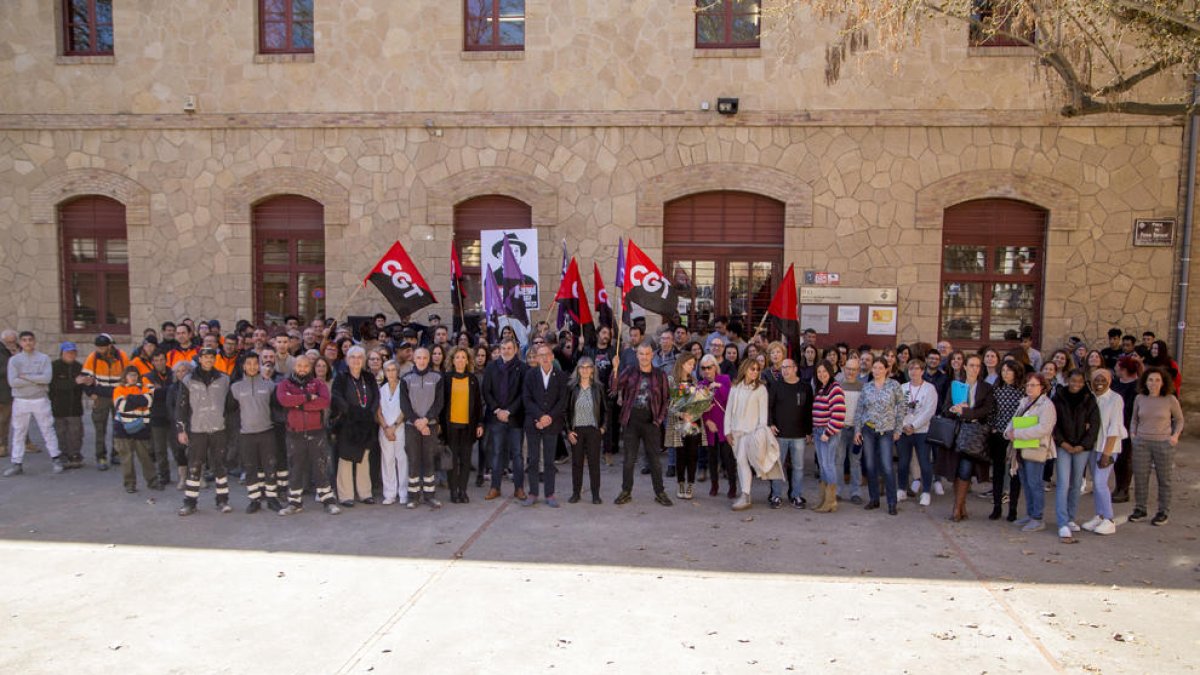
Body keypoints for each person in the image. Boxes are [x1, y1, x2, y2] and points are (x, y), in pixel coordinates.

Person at [275, 355, 340, 516]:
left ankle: (328, 501)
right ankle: (295, 503)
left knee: (321, 467)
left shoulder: (318, 383)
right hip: (294, 433)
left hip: (316, 432)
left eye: (305, 366)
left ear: (310, 367)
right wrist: (308, 398)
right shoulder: (285, 384)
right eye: (299, 366)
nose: (302, 369)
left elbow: (324, 402)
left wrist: (297, 403)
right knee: (296, 469)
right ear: (294, 367)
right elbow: (283, 400)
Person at [611, 343, 673, 507]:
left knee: (654, 460)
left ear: (652, 355)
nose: (644, 357)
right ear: (637, 355)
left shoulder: (660, 375)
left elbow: (666, 399)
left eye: (647, 354)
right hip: (631, 420)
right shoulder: (630, 371)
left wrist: (659, 419)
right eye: (641, 354)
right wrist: (615, 369)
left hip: (651, 421)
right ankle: (626, 491)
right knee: (629, 459)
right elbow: (614, 387)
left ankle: (659, 492)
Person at [175, 347, 234, 516]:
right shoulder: (188, 380)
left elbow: (230, 408)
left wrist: (229, 427)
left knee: (220, 465)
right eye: (205, 357)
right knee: (194, 466)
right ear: (199, 359)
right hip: (197, 429)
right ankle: (190, 502)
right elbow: (181, 408)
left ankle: (222, 500)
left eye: (211, 357)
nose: (208, 360)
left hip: (218, 428)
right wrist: (181, 430)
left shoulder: (224, 379)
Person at [936, 354, 995, 522]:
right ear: (965, 367)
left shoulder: (986, 388)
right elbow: (945, 408)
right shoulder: (956, 385)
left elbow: (986, 409)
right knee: (956, 470)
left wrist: (967, 412)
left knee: (966, 469)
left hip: (973, 435)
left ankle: (956, 507)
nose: (975, 368)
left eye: (978, 366)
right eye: (971, 365)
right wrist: (955, 409)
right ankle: (961, 506)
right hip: (956, 432)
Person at [3, 331, 65, 477]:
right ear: (20, 342)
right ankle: (16, 463)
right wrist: (36, 378)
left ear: (35, 341)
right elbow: (13, 382)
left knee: (47, 429)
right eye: (24, 340)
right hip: (20, 400)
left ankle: (55, 458)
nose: (28, 343)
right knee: (19, 432)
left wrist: (24, 376)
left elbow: (47, 378)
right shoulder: (14, 361)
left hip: (40, 399)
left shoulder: (43, 358)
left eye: (30, 340)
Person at [1128, 367, 1185, 526]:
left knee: (1164, 479)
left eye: (1157, 380)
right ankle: (1140, 509)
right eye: (1150, 380)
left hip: (1163, 444)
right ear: (1145, 382)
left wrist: (1175, 436)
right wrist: (1133, 434)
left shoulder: (1170, 399)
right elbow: (1134, 419)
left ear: (1163, 382)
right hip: (1141, 443)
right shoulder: (1140, 398)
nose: (1153, 383)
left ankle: (1163, 512)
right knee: (1140, 478)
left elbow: (1179, 420)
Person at [229, 352, 283, 513]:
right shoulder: (236, 387)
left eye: (255, 363)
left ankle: (272, 498)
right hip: (246, 434)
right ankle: (254, 499)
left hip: (267, 432)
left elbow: (276, 408)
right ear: (243, 366)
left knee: (269, 466)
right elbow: (230, 410)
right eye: (248, 363)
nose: (252, 367)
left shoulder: (269, 385)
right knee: (251, 467)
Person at [725, 358, 781, 511]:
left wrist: (758, 434)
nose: (755, 372)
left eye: (757, 369)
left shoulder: (761, 389)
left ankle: (745, 494)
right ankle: (745, 494)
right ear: (744, 369)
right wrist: (727, 431)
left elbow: (763, 416)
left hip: (750, 433)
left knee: (743, 461)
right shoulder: (735, 386)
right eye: (752, 369)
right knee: (740, 462)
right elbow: (729, 410)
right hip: (736, 432)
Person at [1052, 369, 1101, 543]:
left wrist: (1083, 445)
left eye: (1080, 381)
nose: (1076, 384)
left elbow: (1094, 425)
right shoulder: (1058, 397)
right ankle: (1062, 522)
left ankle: (1071, 517)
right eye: (1073, 381)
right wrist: (1062, 443)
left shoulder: (1089, 399)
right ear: (1068, 380)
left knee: (1076, 484)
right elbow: (1054, 424)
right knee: (1063, 483)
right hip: (1064, 446)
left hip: (1082, 448)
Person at [1004, 373, 1057, 532]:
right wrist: (1007, 432)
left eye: (1033, 385)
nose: (1029, 388)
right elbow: (1015, 420)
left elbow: (1044, 429)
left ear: (1042, 387)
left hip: (1035, 449)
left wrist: (1018, 434)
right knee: (1026, 483)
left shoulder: (1046, 405)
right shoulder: (1025, 402)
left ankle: (1038, 517)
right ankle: (1030, 513)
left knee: (1035, 484)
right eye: (1028, 385)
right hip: (1020, 448)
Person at [854, 359, 906, 515]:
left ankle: (891, 502)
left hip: (886, 431)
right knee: (870, 466)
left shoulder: (894, 386)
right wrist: (857, 430)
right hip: (868, 430)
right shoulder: (867, 387)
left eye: (880, 368)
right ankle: (874, 499)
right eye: (874, 368)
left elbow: (901, 407)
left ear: (886, 370)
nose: (876, 370)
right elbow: (859, 410)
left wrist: (898, 429)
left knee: (887, 467)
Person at [331, 346, 380, 508]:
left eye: (360, 357)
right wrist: (353, 412)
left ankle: (365, 493)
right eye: (353, 357)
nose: (356, 360)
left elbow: (376, 397)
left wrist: (369, 413)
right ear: (347, 360)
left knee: (364, 458)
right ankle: (346, 496)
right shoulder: (341, 377)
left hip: (366, 423)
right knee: (345, 458)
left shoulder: (369, 377)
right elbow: (337, 397)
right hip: (348, 423)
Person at [1080, 369, 1126, 536]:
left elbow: (1115, 427)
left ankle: (1109, 518)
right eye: (1096, 379)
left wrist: (1107, 453)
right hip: (1093, 446)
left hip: (1108, 447)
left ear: (1109, 381)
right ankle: (1099, 515)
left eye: (1103, 379)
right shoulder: (1091, 398)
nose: (1099, 382)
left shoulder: (1115, 399)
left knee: (1100, 483)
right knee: (1096, 482)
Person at [521, 344, 568, 507]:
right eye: (541, 355)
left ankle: (550, 494)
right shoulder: (530, 375)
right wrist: (540, 417)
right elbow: (527, 399)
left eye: (547, 354)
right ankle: (533, 493)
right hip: (534, 423)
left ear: (552, 357)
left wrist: (549, 417)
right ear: (536, 358)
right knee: (533, 460)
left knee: (549, 461)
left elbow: (562, 401)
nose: (545, 358)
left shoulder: (561, 376)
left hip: (552, 424)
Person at [482, 338, 527, 501]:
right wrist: (497, 410)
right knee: (496, 453)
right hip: (496, 418)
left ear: (515, 350)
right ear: (499, 349)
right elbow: (486, 391)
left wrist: (509, 411)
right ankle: (495, 487)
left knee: (517, 454)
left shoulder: (523, 368)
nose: (506, 351)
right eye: (503, 348)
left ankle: (519, 488)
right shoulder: (491, 367)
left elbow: (524, 393)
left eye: (509, 348)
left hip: (515, 418)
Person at [399, 347, 445, 509]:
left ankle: (429, 496)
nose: (422, 361)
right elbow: (404, 405)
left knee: (429, 460)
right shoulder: (406, 379)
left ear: (429, 359)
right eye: (419, 358)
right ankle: (413, 497)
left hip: (430, 426)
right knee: (413, 460)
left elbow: (439, 403)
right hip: (412, 427)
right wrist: (417, 422)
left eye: (425, 358)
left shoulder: (437, 378)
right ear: (414, 359)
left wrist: (426, 420)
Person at [766, 359, 813, 510]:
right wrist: (771, 424)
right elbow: (769, 407)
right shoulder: (775, 386)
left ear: (795, 368)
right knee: (777, 466)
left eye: (788, 367)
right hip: (780, 433)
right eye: (782, 368)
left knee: (798, 467)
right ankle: (776, 495)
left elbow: (809, 411)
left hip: (799, 435)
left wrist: (809, 431)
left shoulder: (805, 387)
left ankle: (796, 495)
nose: (785, 370)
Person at [82, 333, 129, 470]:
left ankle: (116, 454)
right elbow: (86, 377)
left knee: (118, 426)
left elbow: (130, 375)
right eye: (98, 347)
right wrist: (91, 394)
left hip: (117, 396)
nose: (100, 350)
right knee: (99, 427)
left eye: (103, 347)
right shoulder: (92, 358)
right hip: (101, 397)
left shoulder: (122, 357)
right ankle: (101, 456)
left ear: (110, 346)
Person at [442, 347, 483, 504]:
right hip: (451, 426)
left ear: (467, 360)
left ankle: (463, 491)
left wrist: (480, 423)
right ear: (452, 360)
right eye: (457, 357)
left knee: (465, 461)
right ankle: (453, 491)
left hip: (468, 426)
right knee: (452, 461)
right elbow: (442, 404)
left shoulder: (472, 379)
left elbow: (478, 404)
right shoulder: (446, 379)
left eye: (463, 357)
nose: (460, 360)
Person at [987, 360, 1026, 521]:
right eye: (1003, 370)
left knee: (1015, 472)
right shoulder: (996, 390)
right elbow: (991, 411)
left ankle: (1013, 509)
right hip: (999, 435)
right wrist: (993, 427)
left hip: (1017, 436)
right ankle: (997, 506)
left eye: (1008, 370)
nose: (1005, 373)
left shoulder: (1023, 391)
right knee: (998, 471)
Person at [565, 356, 606, 504]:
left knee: (594, 463)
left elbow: (606, 410)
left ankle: (596, 495)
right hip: (577, 431)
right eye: (582, 367)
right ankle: (576, 493)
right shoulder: (571, 388)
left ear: (592, 370)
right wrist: (568, 431)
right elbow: (565, 411)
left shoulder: (598, 388)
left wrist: (603, 428)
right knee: (577, 463)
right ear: (578, 370)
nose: (585, 370)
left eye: (588, 367)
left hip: (593, 430)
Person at [112, 366, 159, 493]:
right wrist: (139, 399)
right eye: (130, 375)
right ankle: (129, 484)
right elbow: (121, 406)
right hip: (122, 429)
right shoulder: (118, 389)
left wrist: (130, 398)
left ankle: (153, 481)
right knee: (126, 459)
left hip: (141, 429)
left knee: (146, 458)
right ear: (125, 376)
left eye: (135, 374)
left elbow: (149, 401)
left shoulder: (144, 388)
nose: (133, 377)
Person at [898, 360, 937, 508]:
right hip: (904, 430)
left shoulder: (929, 389)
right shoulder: (902, 388)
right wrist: (903, 425)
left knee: (924, 462)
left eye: (916, 369)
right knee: (903, 462)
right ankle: (901, 489)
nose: (913, 372)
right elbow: (897, 409)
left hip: (922, 431)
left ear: (922, 371)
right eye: (911, 369)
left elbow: (929, 411)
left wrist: (914, 425)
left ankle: (926, 492)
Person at [698, 354, 735, 498]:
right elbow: (699, 408)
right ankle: (714, 485)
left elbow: (730, 399)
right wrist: (707, 421)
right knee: (712, 458)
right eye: (703, 368)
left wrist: (719, 386)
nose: (707, 370)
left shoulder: (724, 379)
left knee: (728, 458)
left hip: (725, 425)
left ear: (715, 367)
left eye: (709, 367)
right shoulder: (701, 385)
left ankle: (732, 486)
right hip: (710, 426)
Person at [810, 361, 846, 513]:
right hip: (818, 431)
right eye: (819, 372)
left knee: (828, 465)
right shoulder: (821, 388)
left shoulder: (835, 388)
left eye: (824, 371)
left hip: (827, 433)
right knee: (823, 466)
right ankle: (823, 499)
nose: (821, 374)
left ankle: (831, 501)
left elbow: (839, 414)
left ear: (830, 372)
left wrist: (827, 432)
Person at [668, 353, 703, 500]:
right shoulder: (672, 380)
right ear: (682, 363)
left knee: (693, 454)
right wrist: (681, 414)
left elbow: (697, 400)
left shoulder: (694, 380)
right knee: (680, 454)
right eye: (689, 363)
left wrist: (702, 405)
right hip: (679, 421)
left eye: (693, 364)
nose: (692, 366)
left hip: (694, 421)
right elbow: (668, 403)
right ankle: (680, 483)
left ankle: (690, 484)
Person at [1109, 356, 1141, 503]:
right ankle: (1117, 486)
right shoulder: (1115, 384)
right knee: (1116, 459)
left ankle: (1124, 489)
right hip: (1114, 424)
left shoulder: (1137, 386)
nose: (1116, 369)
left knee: (1126, 458)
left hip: (1128, 425)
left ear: (1125, 369)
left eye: (1118, 366)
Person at [376, 359, 408, 506]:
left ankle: (404, 492)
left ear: (398, 371)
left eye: (393, 370)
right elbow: (378, 412)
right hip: (385, 430)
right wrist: (386, 428)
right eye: (387, 370)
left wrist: (394, 427)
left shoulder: (404, 387)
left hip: (399, 428)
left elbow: (405, 410)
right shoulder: (381, 390)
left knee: (402, 460)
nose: (390, 373)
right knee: (387, 460)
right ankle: (390, 493)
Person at [50, 342, 85, 470]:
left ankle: (75, 454)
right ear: (62, 353)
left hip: (75, 406)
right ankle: (63, 454)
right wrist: (74, 382)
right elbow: (54, 385)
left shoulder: (79, 367)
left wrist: (88, 383)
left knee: (76, 432)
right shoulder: (54, 366)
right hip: (59, 406)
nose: (71, 355)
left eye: (73, 352)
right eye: (68, 352)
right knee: (60, 431)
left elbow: (84, 385)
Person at [835, 358, 865, 504]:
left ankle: (856, 492)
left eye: (854, 369)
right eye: (848, 369)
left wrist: (860, 431)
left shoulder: (863, 387)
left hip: (856, 430)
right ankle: (837, 491)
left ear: (858, 371)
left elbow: (864, 411)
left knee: (855, 462)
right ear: (844, 369)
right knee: (839, 461)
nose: (851, 372)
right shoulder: (838, 386)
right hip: (840, 429)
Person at [0, 329, 15, 460]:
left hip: (11, 391)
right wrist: (13, 365)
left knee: (16, 419)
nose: (12, 344)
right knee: (3, 421)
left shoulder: (13, 351)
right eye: (9, 342)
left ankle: (26, 443)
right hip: (3, 392)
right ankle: (2, 445)